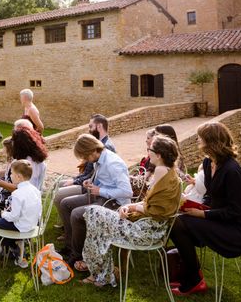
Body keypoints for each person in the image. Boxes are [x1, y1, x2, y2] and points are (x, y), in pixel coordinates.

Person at [80, 135, 182, 286]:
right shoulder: (171, 171)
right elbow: (150, 203)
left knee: (93, 213)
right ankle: (102, 271)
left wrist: (133, 207)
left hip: (144, 231)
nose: (148, 153)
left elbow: (155, 210)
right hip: (153, 229)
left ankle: (101, 272)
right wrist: (129, 206)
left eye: (150, 150)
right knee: (95, 215)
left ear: (158, 155)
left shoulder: (160, 170)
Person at [169, 122, 241, 296]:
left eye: (201, 138)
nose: (198, 140)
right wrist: (196, 205)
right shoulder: (208, 163)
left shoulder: (232, 171)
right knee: (175, 220)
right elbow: (210, 195)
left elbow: (235, 211)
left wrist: (203, 213)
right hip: (216, 220)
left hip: (235, 230)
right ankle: (191, 275)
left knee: (177, 224)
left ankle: (194, 279)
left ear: (212, 142)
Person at [58, 134, 132, 267]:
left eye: (85, 156)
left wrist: (100, 191)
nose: (85, 160)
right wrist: (90, 182)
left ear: (92, 150)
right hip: (100, 196)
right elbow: (104, 181)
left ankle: (77, 255)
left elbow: (127, 192)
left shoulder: (112, 163)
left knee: (76, 214)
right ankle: (69, 247)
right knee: (65, 204)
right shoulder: (99, 158)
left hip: (115, 204)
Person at [0, 123, 48, 235]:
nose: (12, 143)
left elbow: (22, 189)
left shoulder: (31, 162)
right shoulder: (28, 156)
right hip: (21, 195)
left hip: (25, 200)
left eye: (14, 141)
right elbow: (16, 172)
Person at [0, 159, 42, 262]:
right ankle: (13, 245)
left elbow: (13, 217)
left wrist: (4, 214)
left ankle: (8, 245)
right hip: (33, 224)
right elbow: (38, 210)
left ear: (18, 177)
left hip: (21, 226)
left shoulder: (17, 193)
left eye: (12, 174)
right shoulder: (35, 190)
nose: (10, 176)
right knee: (0, 223)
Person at [54, 114, 116, 220]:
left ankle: (68, 225)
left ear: (99, 127)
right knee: (57, 184)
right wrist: (75, 179)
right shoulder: (97, 144)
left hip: (92, 188)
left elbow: (93, 175)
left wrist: (75, 181)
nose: (89, 130)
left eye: (91, 126)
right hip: (87, 182)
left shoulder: (105, 147)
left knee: (59, 194)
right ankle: (66, 222)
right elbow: (88, 172)